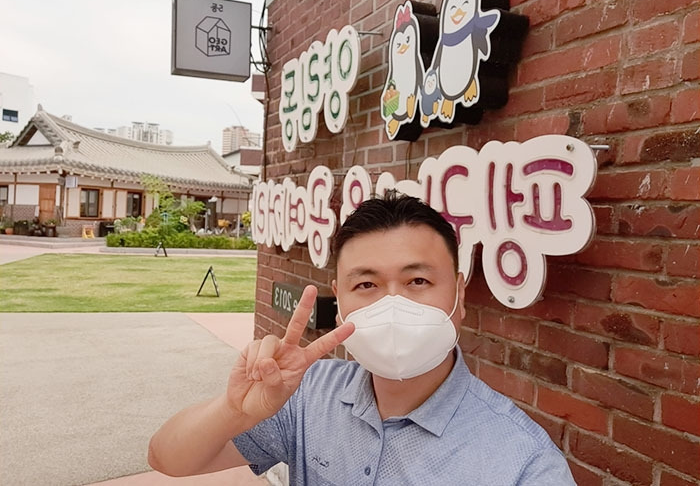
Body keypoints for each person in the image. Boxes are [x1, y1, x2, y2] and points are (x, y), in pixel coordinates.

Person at [148, 192, 576, 485]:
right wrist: (233, 411)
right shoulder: (306, 393)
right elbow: (166, 459)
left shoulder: (522, 461)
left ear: (459, 295)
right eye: (366, 285)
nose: (393, 304)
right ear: (340, 301)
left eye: (418, 280)